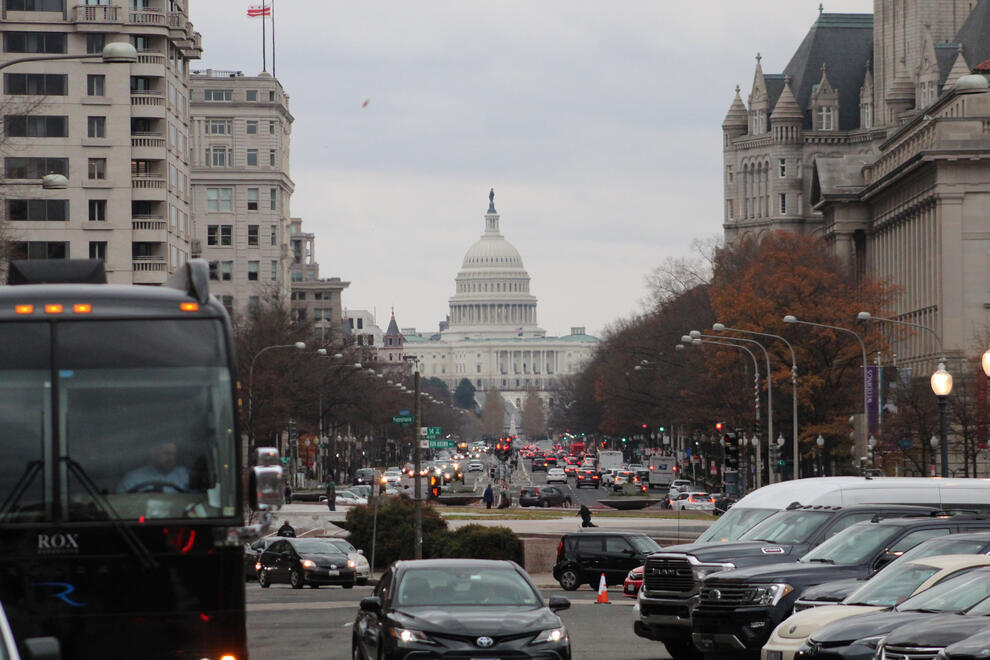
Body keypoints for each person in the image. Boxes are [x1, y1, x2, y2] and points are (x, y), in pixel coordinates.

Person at [117, 440, 190, 493]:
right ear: (153, 453)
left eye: (174, 454)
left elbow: (196, 501)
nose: (171, 458)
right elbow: (120, 505)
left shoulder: (185, 475)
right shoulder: (133, 479)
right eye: (166, 453)